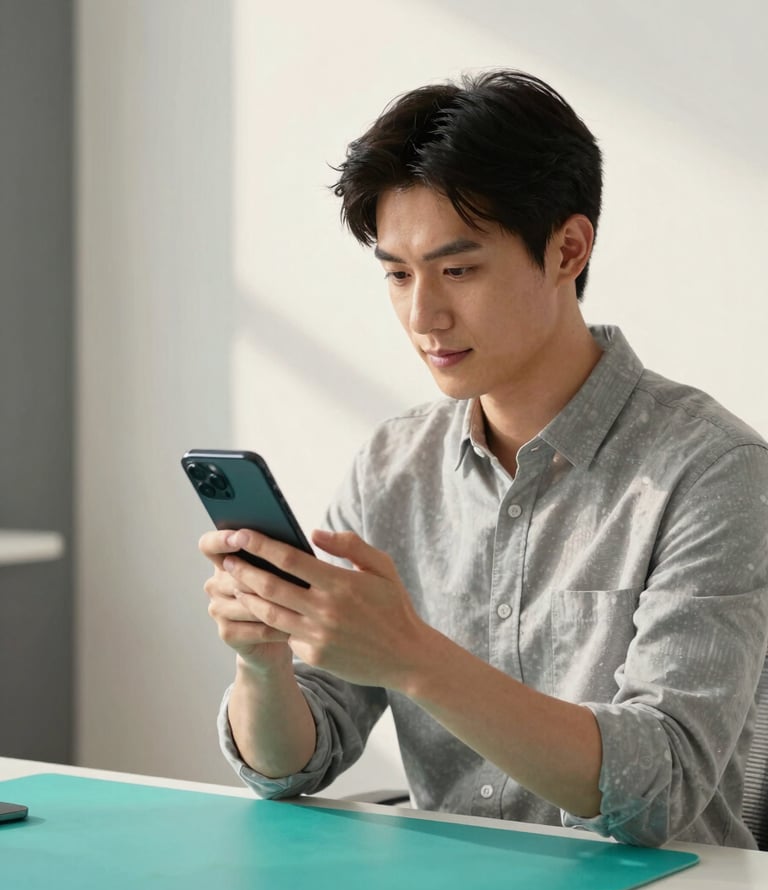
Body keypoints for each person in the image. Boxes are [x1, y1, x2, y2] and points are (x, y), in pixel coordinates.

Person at [199, 69, 768, 848]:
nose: (423, 314)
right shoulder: (392, 465)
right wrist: (262, 660)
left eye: (458, 269)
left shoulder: (713, 468)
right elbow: (293, 763)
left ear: (569, 248)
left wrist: (412, 655)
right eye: (398, 274)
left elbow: (660, 788)